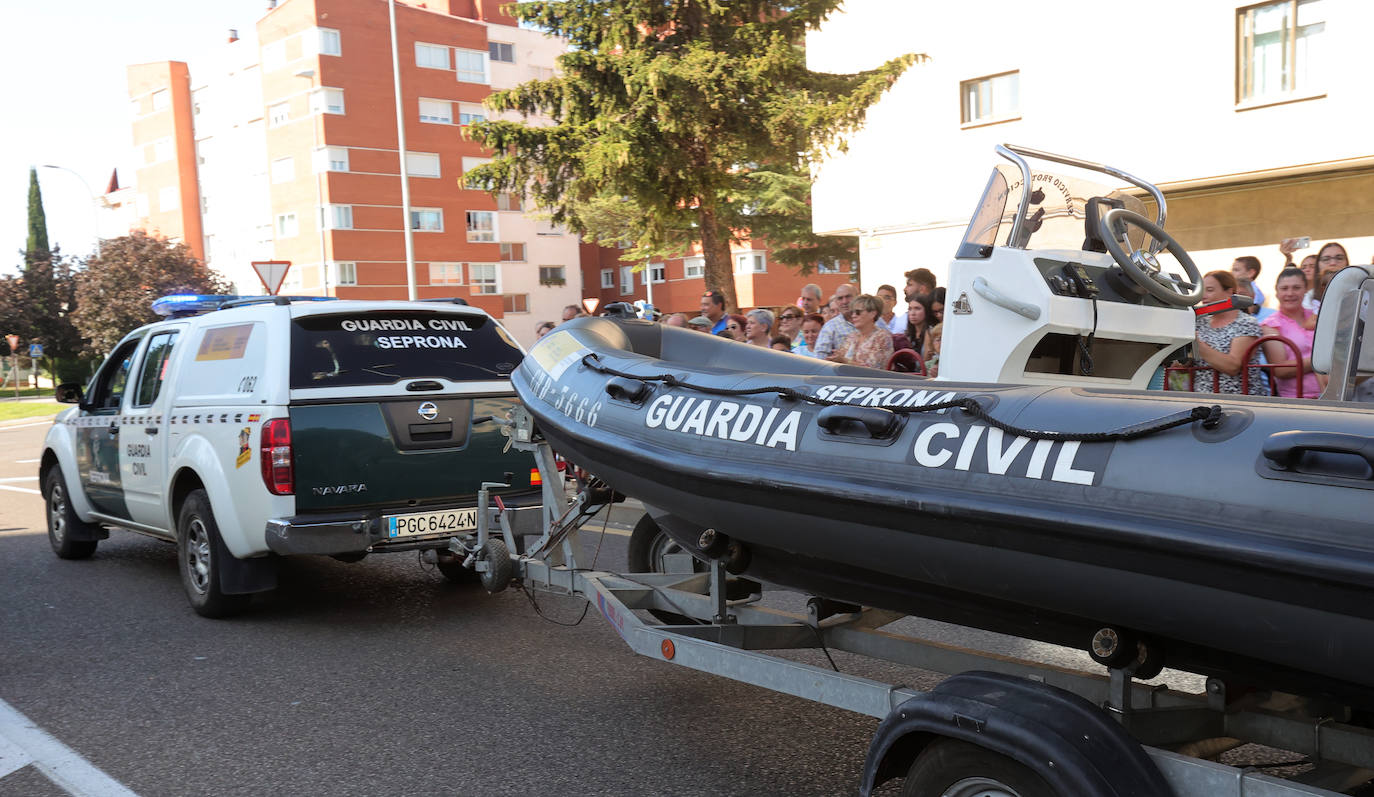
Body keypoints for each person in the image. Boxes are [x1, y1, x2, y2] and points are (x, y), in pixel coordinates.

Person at [1193, 270, 1266, 395]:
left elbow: (1233, 366)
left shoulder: (1246, 323)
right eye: (1202, 291)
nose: (1203, 296)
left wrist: (1196, 344)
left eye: (1210, 290)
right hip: (1203, 401)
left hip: (1238, 402)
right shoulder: (1201, 323)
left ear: (1229, 292)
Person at [1260, 267, 1324, 399]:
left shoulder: (1319, 316)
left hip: (1331, 397)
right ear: (1276, 292)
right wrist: (1321, 360)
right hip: (1295, 402)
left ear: (1305, 289)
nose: (1290, 293)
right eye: (1284, 288)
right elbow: (1280, 370)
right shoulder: (1270, 324)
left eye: (1296, 287)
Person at [828, 294, 893, 369]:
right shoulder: (852, 336)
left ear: (873, 314)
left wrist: (845, 361)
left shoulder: (882, 337)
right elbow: (841, 358)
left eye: (858, 312)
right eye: (852, 312)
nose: (853, 315)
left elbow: (874, 369)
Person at [813, 283, 858, 359]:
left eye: (848, 297)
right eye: (840, 298)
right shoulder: (830, 327)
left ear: (857, 297)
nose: (844, 301)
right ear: (836, 302)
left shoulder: (872, 320)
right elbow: (820, 357)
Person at [904, 294, 934, 359]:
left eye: (917, 308)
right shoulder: (907, 334)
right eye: (910, 309)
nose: (912, 313)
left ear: (926, 310)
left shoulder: (931, 332)